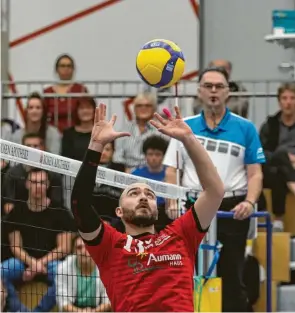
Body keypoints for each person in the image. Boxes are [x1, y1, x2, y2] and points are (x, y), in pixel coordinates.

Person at [70, 103, 224, 312]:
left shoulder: (180, 235)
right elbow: (80, 203)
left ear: (156, 208)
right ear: (119, 211)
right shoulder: (109, 245)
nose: (143, 197)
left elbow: (215, 191)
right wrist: (96, 145)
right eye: (134, 193)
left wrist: (189, 139)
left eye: (150, 195)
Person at [164, 66, 265, 312]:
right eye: (207, 86)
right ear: (199, 91)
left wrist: (249, 202)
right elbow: (171, 171)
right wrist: (172, 201)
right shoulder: (184, 126)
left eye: (219, 86)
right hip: (193, 206)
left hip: (232, 210)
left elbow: (255, 174)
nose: (213, 91)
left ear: (228, 92)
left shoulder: (246, 128)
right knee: (187, 275)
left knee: (231, 278)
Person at [1, 168, 75, 312]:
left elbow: (64, 248)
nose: (38, 186)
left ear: (47, 185)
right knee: (1, 272)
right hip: (23, 262)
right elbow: (15, 246)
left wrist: (39, 264)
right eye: (34, 182)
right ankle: (20, 310)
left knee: (68, 277)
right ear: (27, 184)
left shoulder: (60, 211)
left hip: (50, 263)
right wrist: (33, 264)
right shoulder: (17, 211)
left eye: (42, 182)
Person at [259, 82, 295, 231]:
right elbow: (262, 151)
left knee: (280, 167)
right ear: (279, 101)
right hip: (277, 167)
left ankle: (278, 219)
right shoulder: (271, 124)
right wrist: (287, 158)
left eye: (292, 98)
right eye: (284, 98)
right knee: (280, 157)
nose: (288, 102)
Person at [56, 235, 111, 312]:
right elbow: (63, 303)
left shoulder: (106, 267)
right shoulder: (63, 267)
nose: (83, 251)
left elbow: (109, 301)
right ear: (74, 251)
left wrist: (94, 312)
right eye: (79, 247)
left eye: (87, 247)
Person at [43, 54, 88, 132]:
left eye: (69, 66)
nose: (66, 69)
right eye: (62, 66)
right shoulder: (47, 92)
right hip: (53, 134)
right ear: (57, 69)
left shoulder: (80, 89)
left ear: (73, 69)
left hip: (75, 134)